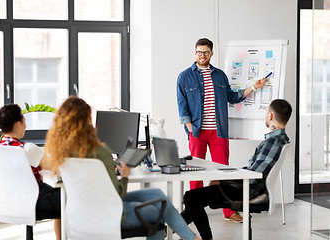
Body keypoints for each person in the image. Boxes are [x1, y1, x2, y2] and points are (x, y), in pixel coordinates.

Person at [42, 96, 201, 240]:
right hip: (112, 217)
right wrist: (124, 176)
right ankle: (192, 239)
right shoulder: (100, 152)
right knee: (160, 208)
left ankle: (192, 238)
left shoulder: (59, 155)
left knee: (157, 194)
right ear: (86, 122)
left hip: (79, 218)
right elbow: (117, 194)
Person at [176, 37, 266, 222]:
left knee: (224, 172)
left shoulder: (220, 75)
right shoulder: (184, 76)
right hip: (197, 132)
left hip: (219, 132)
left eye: (205, 52)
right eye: (199, 52)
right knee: (196, 172)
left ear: (211, 54)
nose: (202, 55)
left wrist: (253, 87)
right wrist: (190, 128)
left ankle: (228, 211)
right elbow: (182, 106)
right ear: (195, 53)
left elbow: (232, 97)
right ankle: (194, 210)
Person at [181, 99, 292, 240]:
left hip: (244, 189)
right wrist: (225, 176)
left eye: (265, 113)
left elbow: (254, 176)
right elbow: (254, 170)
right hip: (247, 187)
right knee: (197, 199)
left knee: (191, 197)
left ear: (270, 116)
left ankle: (205, 238)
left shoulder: (272, 142)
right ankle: (167, 230)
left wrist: (224, 180)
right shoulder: (280, 140)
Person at [0, 104, 61, 240]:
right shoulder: (27, 149)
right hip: (33, 202)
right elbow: (55, 168)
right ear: (18, 124)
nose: (25, 124)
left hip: (7, 202)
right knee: (67, 200)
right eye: (24, 120)